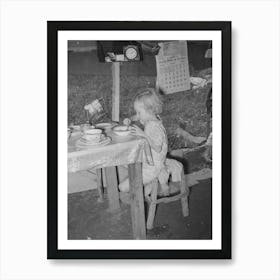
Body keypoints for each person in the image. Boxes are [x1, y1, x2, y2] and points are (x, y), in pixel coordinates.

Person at [118, 88, 170, 197]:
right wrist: (130, 119)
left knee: (122, 187)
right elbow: (138, 117)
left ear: (150, 110)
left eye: (139, 112)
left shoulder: (154, 127)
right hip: (149, 159)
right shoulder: (151, 118)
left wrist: (143, 134)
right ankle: (153, 182)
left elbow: (157, 148)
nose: (137, 114)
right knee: (125, 160)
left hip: (153, 166)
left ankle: (153, 182)